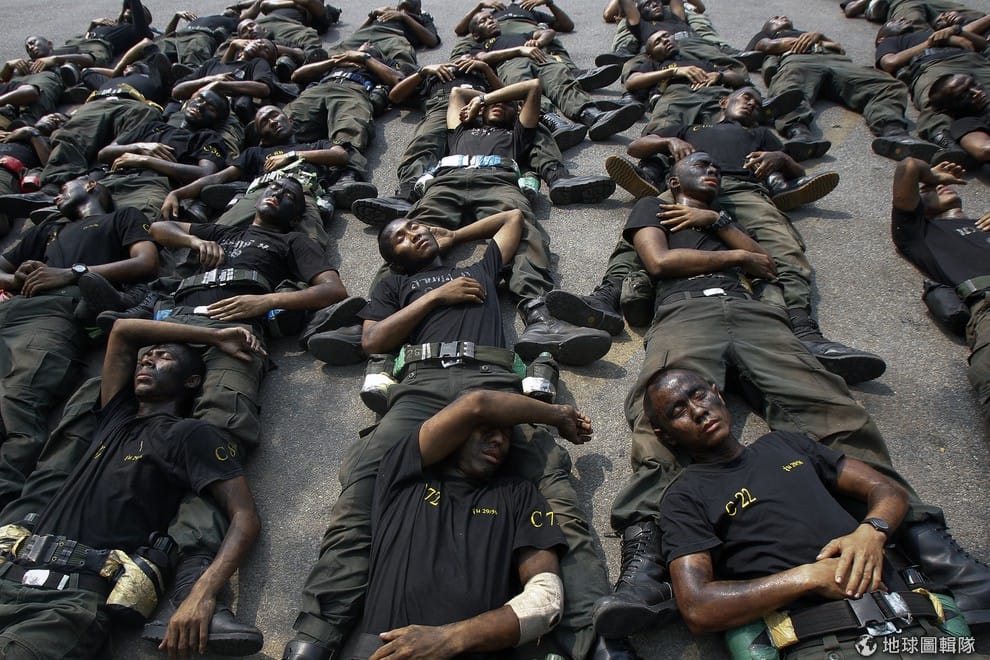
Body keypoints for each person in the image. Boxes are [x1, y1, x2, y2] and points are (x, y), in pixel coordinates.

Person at [590, 153, 990, 639]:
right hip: (684, 310)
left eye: (715, 167)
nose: (711, 169)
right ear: (674, 179)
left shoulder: (723, 217)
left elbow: (768, 265)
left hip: (753, 312)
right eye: (700, 164)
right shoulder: (654, 206)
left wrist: (717, 222)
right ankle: (647, 568)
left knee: (832, 409)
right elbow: (660, 261)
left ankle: (931, 549)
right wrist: (734, 256)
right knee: (660, 420)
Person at [286, 211, 633, 660]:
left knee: (551, 483)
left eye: (416, 226)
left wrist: (454, 235)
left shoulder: (479, 269)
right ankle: (317, 633)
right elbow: (373, 340)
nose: (414, 233)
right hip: (421, 386)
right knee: (363, 485)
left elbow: (513, 218)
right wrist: (435, 297)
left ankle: (591, 630)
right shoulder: (396, 285)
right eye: (401, 237)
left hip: (491, 379)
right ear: (394, 260)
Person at [650, 368, 977, 659]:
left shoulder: (785, 444)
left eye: (699, 395)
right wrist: (809, 577)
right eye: (678, 411)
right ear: (665, 434)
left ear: (717, 393)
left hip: (922, 631)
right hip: (828, 643)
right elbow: (698, 607)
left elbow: (886, 489)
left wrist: (872, 531)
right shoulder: (684, 497)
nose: (698, 411)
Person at [0, 317, 263, 658]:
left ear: (192, 380)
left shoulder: (190, 435)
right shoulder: (114, 419)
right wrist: (212, 335)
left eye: (164, 357)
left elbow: (245, 516)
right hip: (8, 576)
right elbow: (123, 331)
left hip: (67, 604)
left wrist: (203, 592)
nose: (148, 361)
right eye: (145, 358)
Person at [604, 89, 881, 384]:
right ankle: (607, 296)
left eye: (757, 103)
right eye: (746, 97)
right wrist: (668, 141)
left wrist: (780, 158)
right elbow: (637, 146)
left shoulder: (759, 134)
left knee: (782, 247)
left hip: (746, 190)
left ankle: (804, 330)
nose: (752, 103)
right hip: (686, 187)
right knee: (642, 231)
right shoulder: (690, 129)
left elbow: (796, 168)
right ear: (723, 102)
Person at [354, 389, 583, 658]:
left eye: (507, 435)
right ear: (456, 430)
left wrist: (447, 639)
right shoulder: (404, 474)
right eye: (486, 429)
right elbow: (477, 404)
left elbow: (546, 600)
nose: (499, 439)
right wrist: (558, 415)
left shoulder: (519, 495)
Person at [0, 177, 158, 507]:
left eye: (63, 189)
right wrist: (16, 278)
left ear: (90, 184)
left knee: (18, 402)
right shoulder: (50, 227)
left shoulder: (121, 217)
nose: (57, 197)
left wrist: (72, 272)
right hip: (13, 308)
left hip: (56, 312)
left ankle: (6, 498)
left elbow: (145, 262)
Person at [749, 14, 938, 162]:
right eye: (775, 18)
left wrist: (818, 37)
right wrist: (814, 40)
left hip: (838, 62)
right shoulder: (768, 36)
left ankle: (894, 133)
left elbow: (839, 48)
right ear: (767, 28)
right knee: (790, 89)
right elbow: (767, 46)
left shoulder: (810, 35)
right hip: (799, 60)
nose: (782, 17)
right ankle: (799, 133)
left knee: (886, 85)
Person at [890, 157, 990, 428]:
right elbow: (909, 166)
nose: (938, 188)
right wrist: (932, 177)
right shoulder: (919, 235)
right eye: (925, 190)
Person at [162, 104, 349, 247]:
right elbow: (218, 177)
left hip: (302, 194)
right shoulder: (254, 153)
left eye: (274, 115)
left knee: (310, 246)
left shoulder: (315, 146)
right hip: (261, 194)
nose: (272, 122)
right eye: (264, 122)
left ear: (290, 120)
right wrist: (178, 194)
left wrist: (293, 155)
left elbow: (340, 155)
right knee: (217, 234)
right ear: (262, 137)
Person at [468, 12, 641, 141]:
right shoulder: (481, 45)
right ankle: (554, 123)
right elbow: (482, 58)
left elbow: (549, 32)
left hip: (540, 57)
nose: (490, 21)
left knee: (562, 81)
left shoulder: (516, 35)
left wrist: (539, 41)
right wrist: (520, 50)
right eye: (483, 21)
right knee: (525, 90)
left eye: (491, 18)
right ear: (476, 34)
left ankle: (591, 115)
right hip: (509, 64)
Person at [284, 42, 404, 207]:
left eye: (372, 45)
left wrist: (365, 58)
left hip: (353, 89)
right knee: (287, 126)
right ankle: (276, 167)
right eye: (364, 43)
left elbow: (398, 79)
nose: (367, 43)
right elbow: (297, 76)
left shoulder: (382, 63)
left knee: (350, 126)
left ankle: (346, 176)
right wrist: (336, 61)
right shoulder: (336, 61)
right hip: (318, 89)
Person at [928, 73, 990, 164]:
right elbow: (983, 150)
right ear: (947, 109)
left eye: (974, 84)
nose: (977, 92)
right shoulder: (965, 124)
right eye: (964, 94)